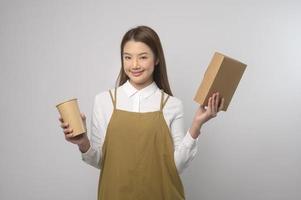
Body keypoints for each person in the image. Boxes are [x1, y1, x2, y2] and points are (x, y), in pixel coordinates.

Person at [59, 25, 224, 200]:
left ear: (157, 59)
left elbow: (176, 167)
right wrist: (83, 142)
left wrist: (196, 125)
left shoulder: (172, 105)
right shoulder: (104, 101)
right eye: (127, 57)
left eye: (143, 57)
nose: (134, 65)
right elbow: (100, 161)